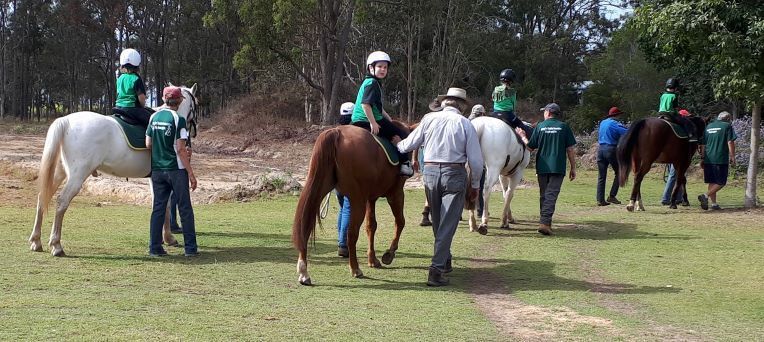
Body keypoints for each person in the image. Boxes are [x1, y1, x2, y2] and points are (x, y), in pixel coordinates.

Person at [397, 87, 483, 287]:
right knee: (448, 222)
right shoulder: (465, 124)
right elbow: (476, 162)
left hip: (430, 173)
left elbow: (407, 145)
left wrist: (395, 144)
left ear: (444, 103)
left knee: (437, 220)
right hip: (454, 173)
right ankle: (436, 270)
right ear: (461, 106)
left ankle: (445, 259)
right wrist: (476, 184)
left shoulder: (428, 119)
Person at [145, 86, 198, 257]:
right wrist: (191, 173)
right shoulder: (179, 119)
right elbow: (182, 149)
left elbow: (148, 144)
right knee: (185, 209)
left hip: (157, 170)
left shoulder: (153, 117)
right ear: (180, 101)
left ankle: (155, 247)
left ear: (163, 99)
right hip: (176, 169)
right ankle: (190, 248)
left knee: (158, 208)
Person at [515, 103, 576, 236]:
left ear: (548, 113)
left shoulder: (540, 127)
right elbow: (570, 149)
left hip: (542, 166)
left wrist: (522, 136)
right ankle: (545, 223)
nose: (543, 113)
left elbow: (530, 147)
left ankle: (545, 223)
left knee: (544, 195)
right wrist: (573, 167)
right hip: (558, 167)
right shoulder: (564, 127)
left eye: (544, 111)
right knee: (551, 195)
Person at [351, 51, 413, 176]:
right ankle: (405, 164)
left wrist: (389, 119)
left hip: (356, 120)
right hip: (367, 120)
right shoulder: (373, 83)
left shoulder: (369, 82)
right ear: (370, 68)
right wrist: (373, 123)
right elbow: (365, 104)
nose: (383, 70)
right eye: (379, 66)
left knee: (392, 127)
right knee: (401, 134)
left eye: (385, 67)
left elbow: (377, 107)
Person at [698, 111, 737, 210]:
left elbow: (703, 144)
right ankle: (705, 196)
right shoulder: (727, 126)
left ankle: (714, 204)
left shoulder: (709, 126)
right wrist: (732, 156)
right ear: (728, 119)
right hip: (720, 158)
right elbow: (730, 141)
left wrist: (702, 158)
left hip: (708, 159)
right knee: (721, 182)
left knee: (712, 181)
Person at [596, 107, 628, 206]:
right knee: (619, 172)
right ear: (617, 115)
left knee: (602, 176)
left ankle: (600, 199)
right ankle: (612, 196)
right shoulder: (615, 123)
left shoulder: (603, 122)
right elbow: (626, 132)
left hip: (600, 149)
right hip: (611, 149)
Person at [661, 109, 693, 206]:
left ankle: (679, 198)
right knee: (673, 175)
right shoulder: (680, 129)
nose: (688, 119)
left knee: (677, 176)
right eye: (686, 117)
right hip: (677, 157)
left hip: (672, 155)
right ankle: (666, 198)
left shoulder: (676, 129)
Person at [115, 48, 153, 127]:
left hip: (118, 107)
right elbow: (141, 98)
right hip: (131, 108)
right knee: (153, 122)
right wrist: (142, 107)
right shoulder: (136, 78)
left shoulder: (120, 78)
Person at [336, 102, 354, 257]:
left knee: (343, 208)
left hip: (336, 179)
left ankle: (340, 240)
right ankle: (343, 244)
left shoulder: (335, 132)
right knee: (348, 207)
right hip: (348, 177)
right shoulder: (353, 134)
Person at [491, 69, 532, 137]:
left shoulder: (496, 89)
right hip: (507, 115)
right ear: (511, 81)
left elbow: (493, 99)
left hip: (494, 114)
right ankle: (531, 143)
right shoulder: (512, 92)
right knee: (522, 126)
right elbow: (513, 106)